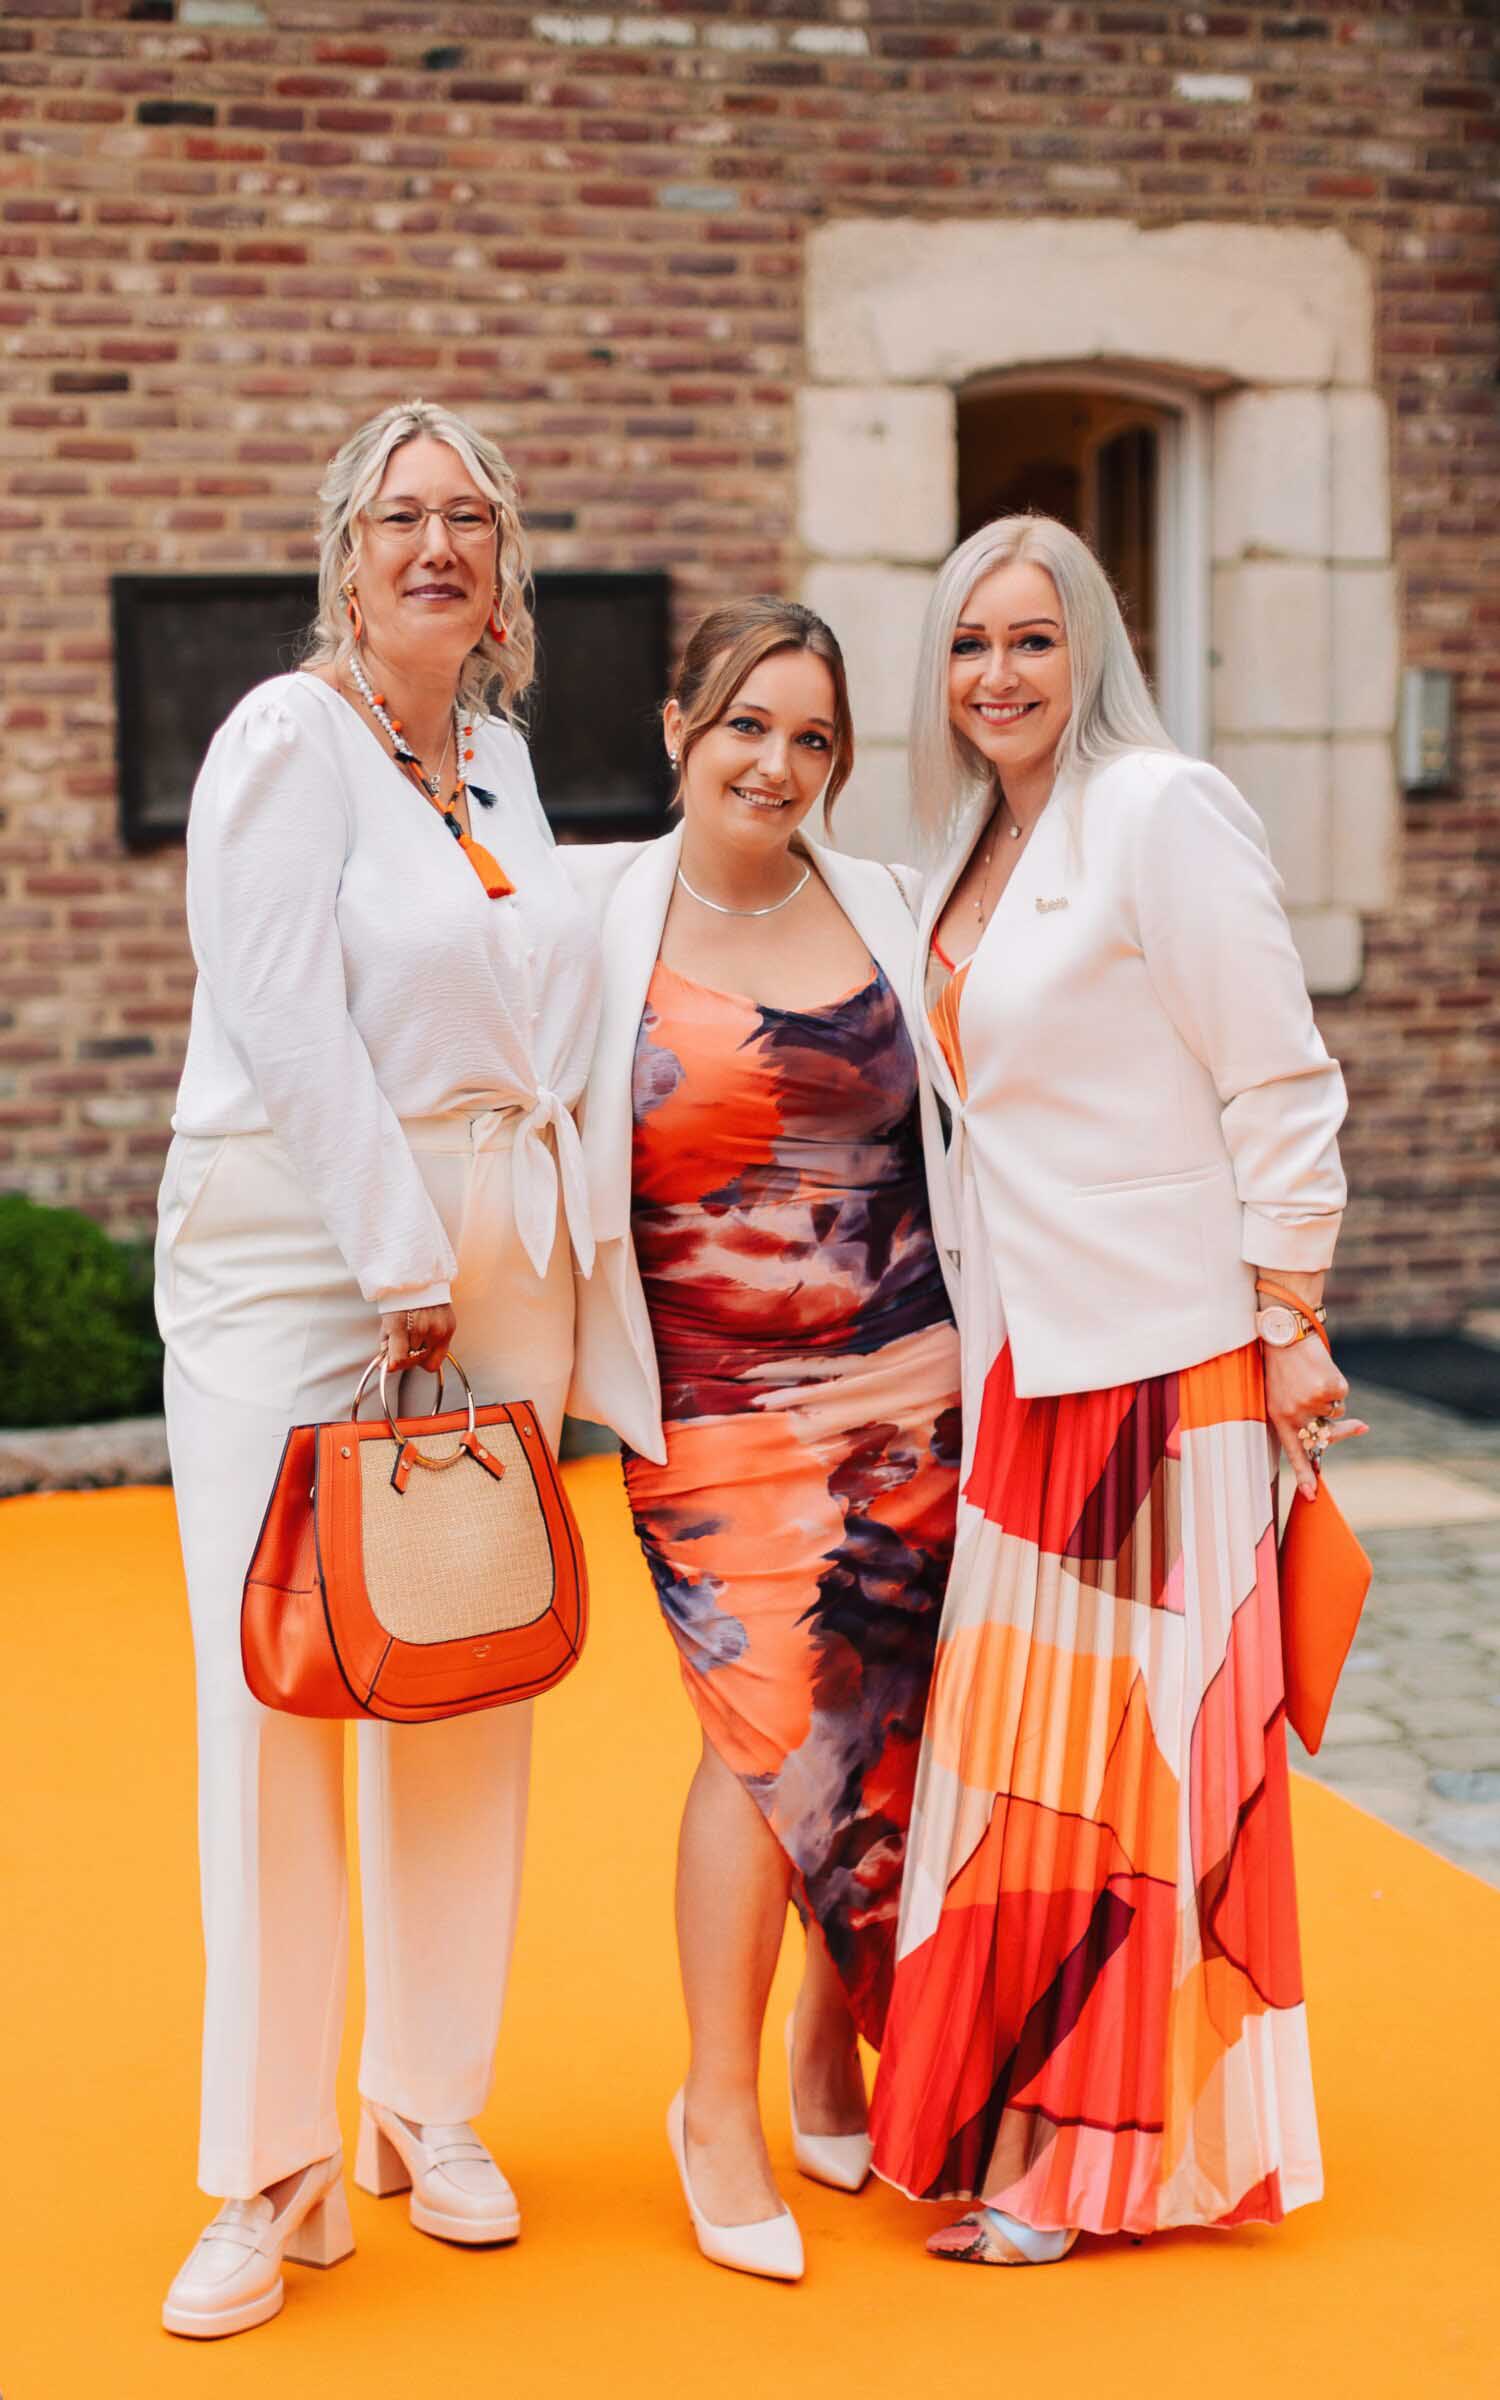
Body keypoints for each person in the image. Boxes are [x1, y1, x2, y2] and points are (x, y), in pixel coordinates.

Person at [155, 399, 600, 2337]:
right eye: (402, 515)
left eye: (470, 519)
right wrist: (401, 1257)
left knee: (461, 1672)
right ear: (345, 552)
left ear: (504, 569)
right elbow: (278, 1011)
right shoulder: (288, 737)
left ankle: (430, 2103)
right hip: (303, 1253)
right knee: (273, 1697)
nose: (437, 545)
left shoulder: (501, 759)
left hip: (490, 1259)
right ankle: (269, 2171)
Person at [868, 514, 1361, 2266]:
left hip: (1169, 1364)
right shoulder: (962, 849)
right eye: (968, 643)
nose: (998, 674)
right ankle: (1018, 2115)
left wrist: (1290, 1312)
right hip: (1033, 1359)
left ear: (1092, 648)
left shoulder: (1161, 809)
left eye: (1033, 639)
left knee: (1140, 1767)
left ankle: (1093, 2164)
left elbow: (1280, 1079)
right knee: (1025, 1759)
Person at [567, 599, 961, 2281]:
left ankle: (824, 2041)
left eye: (812, 737)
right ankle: (714, 2102)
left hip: (912, 1377)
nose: (777, 764)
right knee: (770, 1720)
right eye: (745, 724)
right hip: (713, 1400)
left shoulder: (893, 904)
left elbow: (984, 1137)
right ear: (679, 730)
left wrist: (966, 1341)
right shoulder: (588, 918)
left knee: (885, 1718)